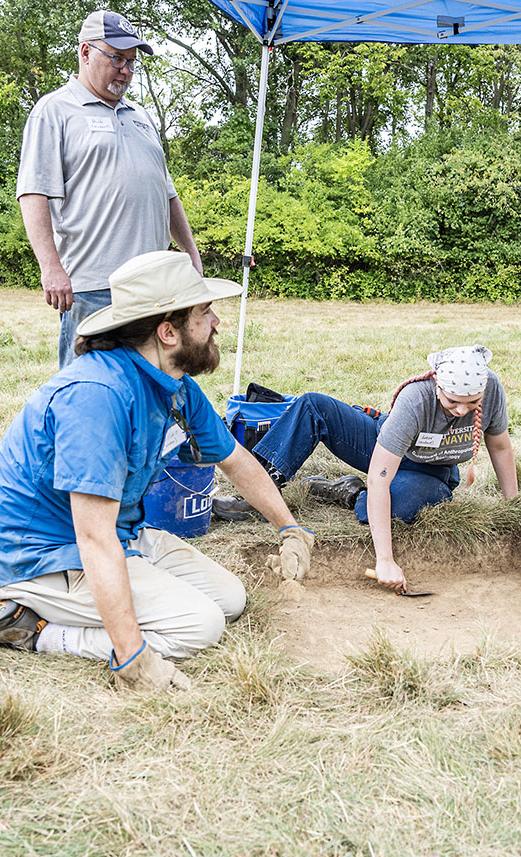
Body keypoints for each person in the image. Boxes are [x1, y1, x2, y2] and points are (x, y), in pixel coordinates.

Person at [0, 251, 314, 693]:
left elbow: (234, 458)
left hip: (121, 534)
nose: (217, 322)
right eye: (204, 313)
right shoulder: (97, 396)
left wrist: (290, 530)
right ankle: (36, 628)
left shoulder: (173, 384)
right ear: (168, 331)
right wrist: (133, 658)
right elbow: (92, 535)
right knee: (200, 626)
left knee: (231, 600)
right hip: (43, 553)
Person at [215, 345, 517, 593]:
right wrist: (385, 560)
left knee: (385, 510)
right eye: (453, 401)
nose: (462, 410)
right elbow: (379, 477)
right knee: (313, 405)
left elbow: (500, 447)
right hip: (383, 443)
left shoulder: (492, 392)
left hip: (430, 470)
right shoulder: (416, 400)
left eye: (471, 403)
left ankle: (347, 492)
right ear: (438, 385)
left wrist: (511, 509)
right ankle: (263, 490)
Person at [17, 9, 202, 368]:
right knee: (90, 390)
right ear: (85, 53)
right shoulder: (54, 111)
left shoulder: (141, 117)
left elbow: (167, 195)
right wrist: (51, 268)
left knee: (155, 383)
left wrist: (191, 255)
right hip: (95, 286)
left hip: (154, 284)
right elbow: (33, 193)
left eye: (132, 62)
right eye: (116, 58)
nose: (126, 70)